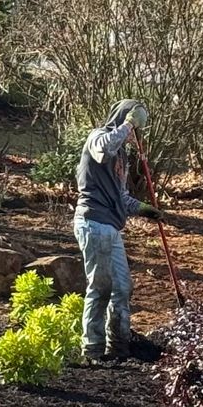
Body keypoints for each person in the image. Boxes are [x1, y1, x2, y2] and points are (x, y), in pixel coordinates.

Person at [72, 99, 157, 362]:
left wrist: (144, 209)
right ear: (123, 120)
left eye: (138, 130)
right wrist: (127, 124)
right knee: (101, 287)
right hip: (93, 221)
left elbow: (121, 197)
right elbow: (103, 151)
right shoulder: (98, 137)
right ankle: (92, 349)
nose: (135, 135)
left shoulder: (122, 157)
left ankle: (118, 346)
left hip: (111, 227)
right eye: (134, 128)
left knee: (122, 287)